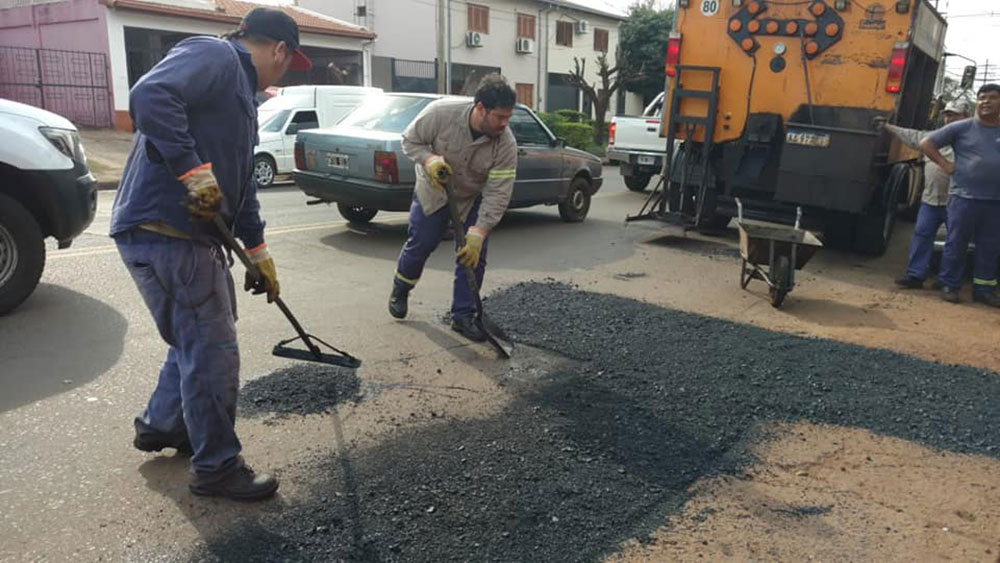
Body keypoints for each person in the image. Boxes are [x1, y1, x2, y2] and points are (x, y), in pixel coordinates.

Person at [110, 8, 311, 500]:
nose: (281, 76)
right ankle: (218, 467)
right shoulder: (216, 55)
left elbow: (241, 188)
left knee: (195, 336)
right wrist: (192, 171)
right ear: (278, 50)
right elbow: (150, 95)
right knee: (212, 349)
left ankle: (162, 425)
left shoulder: (242, 101)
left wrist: (259, 253)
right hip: (168, 232)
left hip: (181, 237)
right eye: (287, 65)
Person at [387, 75, 518, 341]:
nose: (505, 124)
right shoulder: (440, 114)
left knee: (474, 255)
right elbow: (410, 141)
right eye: (500, 117)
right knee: (422, 242)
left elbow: (498, 192)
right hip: (433, 190)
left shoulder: (505, 144)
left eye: (508, 118)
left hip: (470, 196)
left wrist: (479, 231)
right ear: (480, 107)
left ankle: (463, 315)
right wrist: (430, 159)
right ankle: (401, 287)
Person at [921, 84, 1000, 307]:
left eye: (992, 98)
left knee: (990, 246)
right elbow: (926, 143)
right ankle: (949, 285)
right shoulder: (962, 128)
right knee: (956, 243)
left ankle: (983, 289)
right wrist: (945, 164)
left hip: (995, 201)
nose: (985, 102)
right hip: (964, 198)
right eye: (982, 98)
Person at [889, 100, 970, 289]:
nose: (949, 119)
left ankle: (947, 281)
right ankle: (915, 275)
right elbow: (912, 136)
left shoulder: (972, 141)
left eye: (954, 115)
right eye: (948, 115)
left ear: (966, 117)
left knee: (955, 243)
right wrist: (887, 126)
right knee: (922, 235)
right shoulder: (935, 138)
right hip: (931, 200)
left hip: (957, 201)